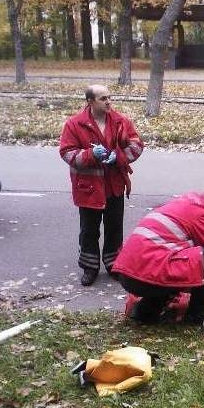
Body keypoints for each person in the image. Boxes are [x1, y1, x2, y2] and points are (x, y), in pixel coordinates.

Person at [112, 190, 204, 333]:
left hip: (128, 273)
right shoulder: (202, 212)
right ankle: (203, 315)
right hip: (147, 273)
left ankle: (145, 311)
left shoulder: (180, 205)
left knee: (177, 262)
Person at [59, 84, 144, 286]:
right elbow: (67, 153)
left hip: (114, 186)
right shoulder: (74, 124)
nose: (108, 102)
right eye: (102, 98)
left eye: (109, 97)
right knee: (89, 230)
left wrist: (119, 156)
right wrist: (90, 155)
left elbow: (137, 144)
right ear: (90, 101)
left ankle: (114, 264)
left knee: (114, 228)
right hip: (88, 189)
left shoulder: (120, 121)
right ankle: (90, 267)